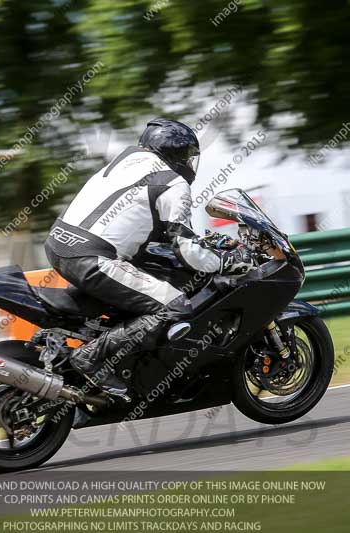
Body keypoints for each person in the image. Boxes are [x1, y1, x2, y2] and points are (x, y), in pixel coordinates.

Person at [44, 118, 256, 397]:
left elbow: (135, 218)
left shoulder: (125, 161)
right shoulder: (173, 182)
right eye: (187, 156)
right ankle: (91, 358)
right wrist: (225, 261)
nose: (189, 163)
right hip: (92, 259)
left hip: (59, 245)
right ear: (175, 153)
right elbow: (188, 251)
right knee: (174, 306)